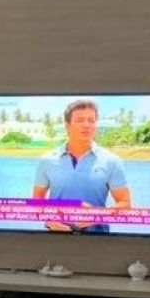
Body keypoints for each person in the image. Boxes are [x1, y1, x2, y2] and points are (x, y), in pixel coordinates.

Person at [31, 99, 131, 233]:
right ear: (67, 125)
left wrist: (98, 215)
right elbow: (37, 202)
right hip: (55, 239)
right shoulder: (46, 160)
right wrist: (49, 219)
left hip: (98, 240)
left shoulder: (111, 161)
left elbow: (125, 205)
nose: (86, 125)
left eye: (91, 120)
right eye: (80, 120)